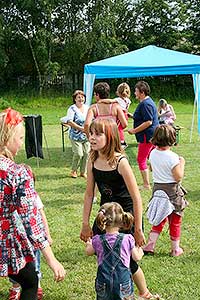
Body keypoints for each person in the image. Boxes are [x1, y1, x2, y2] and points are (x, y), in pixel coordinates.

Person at [80, 118, 159, 300]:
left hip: (125, 217)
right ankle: (111, 288)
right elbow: (89, 194)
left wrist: (137, 229)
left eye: (98, 134)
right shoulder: (92, 160)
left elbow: (136, 197)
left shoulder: (120, 162)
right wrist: (85, 223)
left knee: (128, 262)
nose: (92, 137)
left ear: (111, 137)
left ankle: (144, 292)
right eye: (91, 133)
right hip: (106, 215)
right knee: (105, 257)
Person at [0, 108, 65, 300]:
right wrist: (51, 259)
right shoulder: (18, 173)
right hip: (7, 241)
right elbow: (31, 220)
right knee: (30, 282)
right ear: (7, 138)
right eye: (20, 138)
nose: (21, 143)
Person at [9, 166, 53, 300]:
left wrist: (47, 235)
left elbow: (40, 216)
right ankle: (16, 288)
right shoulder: (11, 196)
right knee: (17, 267)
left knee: (35, 265)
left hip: (32, 241)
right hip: (18, 241)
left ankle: (37, 285)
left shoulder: (34, 197)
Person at [143, 124, 188, 256]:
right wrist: (182, 163)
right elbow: (178, 177)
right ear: (173, 139)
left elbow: (151, 168)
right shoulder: (173, 157)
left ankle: (150, 245)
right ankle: (175, 249)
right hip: (172, 193)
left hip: (158, 192)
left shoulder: (152, 153)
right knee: (175, 221)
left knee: (159, 219)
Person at [86, 202, 144, 300]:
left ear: (102, 220)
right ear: (122, 220)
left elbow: (88, 252)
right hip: (123, 282)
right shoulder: (128, 238)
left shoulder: (97, 240)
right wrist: (140, 251)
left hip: (103, 282)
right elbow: (136, 257)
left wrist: (88, 244)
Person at [128, 81, 159, 190]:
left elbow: (148, 122)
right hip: (151, 135)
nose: (134, 93)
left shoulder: (146, 104)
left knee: (141, 159)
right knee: (155, 157)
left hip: (147, 136)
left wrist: (134, 130)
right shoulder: (147, 102)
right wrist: (132, 116)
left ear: (142, 92)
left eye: (136, 91)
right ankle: (158, 178)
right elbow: (144, 117)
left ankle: (146, 185)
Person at [60, 90, 90, 178]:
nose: (81, 99)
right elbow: (69, 121)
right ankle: (73, 170)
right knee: (79, 153)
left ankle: (83, 172)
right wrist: (80, 128)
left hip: (86, 135)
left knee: (87, 153)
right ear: (75, 99)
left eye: (82, 97)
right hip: (75, 135)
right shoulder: (72, 109)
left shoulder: (87, 107)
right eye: (79, 97)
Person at [99, 82, 132, 148]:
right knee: (120, 128)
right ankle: (120, 140)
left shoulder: (118, 100)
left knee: (118, 128)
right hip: (125, 114)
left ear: (118, 92)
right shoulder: (128, 100)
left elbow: (110, 101)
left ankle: (121, 141)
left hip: (120, 115)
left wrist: (102, 101)